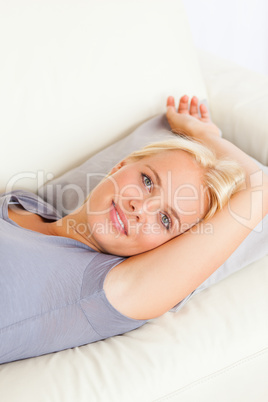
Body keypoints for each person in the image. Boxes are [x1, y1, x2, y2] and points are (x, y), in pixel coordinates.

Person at [1, 95, 267, 364]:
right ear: (121, 166)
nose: (140, 207)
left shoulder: (109, 288)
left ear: (167, 247)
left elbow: (260, 189)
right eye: (147, 181)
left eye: (165, 219)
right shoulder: (24, 204)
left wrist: (204, 134)